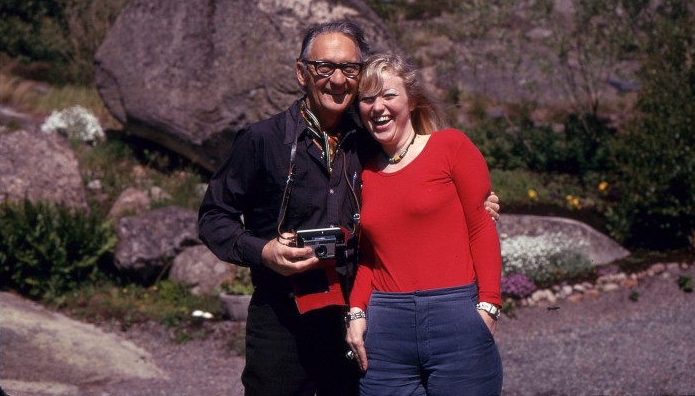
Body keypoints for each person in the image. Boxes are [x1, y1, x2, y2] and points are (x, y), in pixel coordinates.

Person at [198, 21, 501, 396]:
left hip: (354, 315)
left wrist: (473, 204)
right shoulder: (263, 140)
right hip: (282, 317)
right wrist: (263, 252)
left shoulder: (368, 139)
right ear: (301, 73)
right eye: (324, 67)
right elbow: (213, 217)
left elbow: (412, 183)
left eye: (349, 68)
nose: (338, 79)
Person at [345, 53, 503, 396]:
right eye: (367, 99)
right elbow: (370, 258)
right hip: (385, 328)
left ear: (412, 101)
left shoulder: (451, 147)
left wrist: (489, 306)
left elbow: (481, 228)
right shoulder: (364, 173)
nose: (378, 107)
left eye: (389, 95)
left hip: (456, 317)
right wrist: (356, 313)